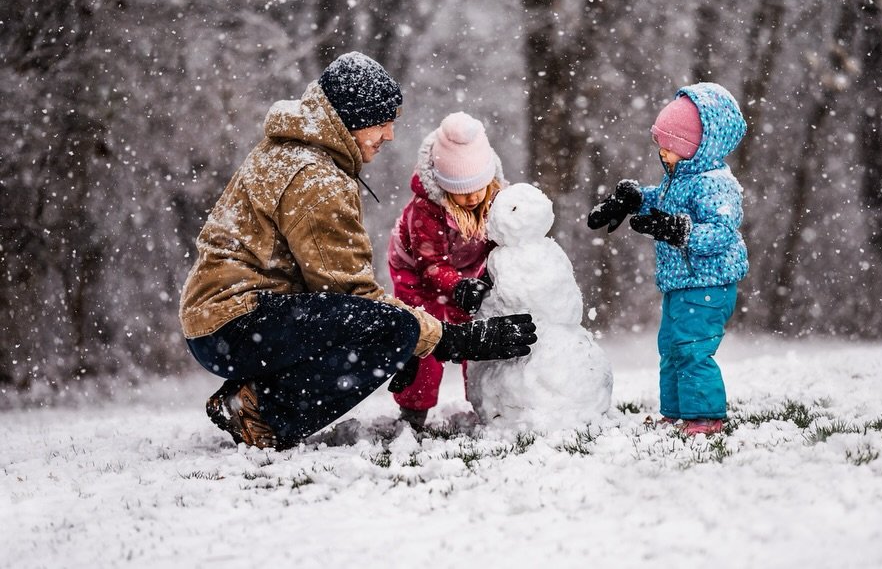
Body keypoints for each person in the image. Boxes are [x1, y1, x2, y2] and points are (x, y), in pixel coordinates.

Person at [179, 52, 536, 450]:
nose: (390, 136)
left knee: (391, 330)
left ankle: (250, 397)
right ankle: (262, 412)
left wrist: (411, 343)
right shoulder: (317, 180)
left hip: (222, 322)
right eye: (383, 123)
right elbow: (352, 299)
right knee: (389, 328)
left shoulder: (294, 154)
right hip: (239, 321)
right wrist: (449, 339)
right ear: (352, 119)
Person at [588, 82, 747, 436]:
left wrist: (678, 230)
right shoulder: (678, 178)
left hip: (710, 284)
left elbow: (722, 232)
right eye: (660, 144)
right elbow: (658, 201)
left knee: (692, 348)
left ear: (698, 147)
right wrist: (632, 200)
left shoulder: (715, 183)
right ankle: (677, 411)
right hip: (681, 283)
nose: (663, 153)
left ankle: (705, 416)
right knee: (672, 347)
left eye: (671, 146)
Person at [386, 112, 504, 429]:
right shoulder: (425, 210)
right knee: (426, 341)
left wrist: (490, 276)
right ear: (443, 187)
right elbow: (430, 264)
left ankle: (487, 399)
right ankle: (414, 411)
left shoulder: (496, 200)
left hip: (465, 272)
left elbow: (499, 241)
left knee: (479, 335)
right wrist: (457, 287)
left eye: (478, 187)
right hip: (417, 277)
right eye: (461, 190)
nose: (472, 197)